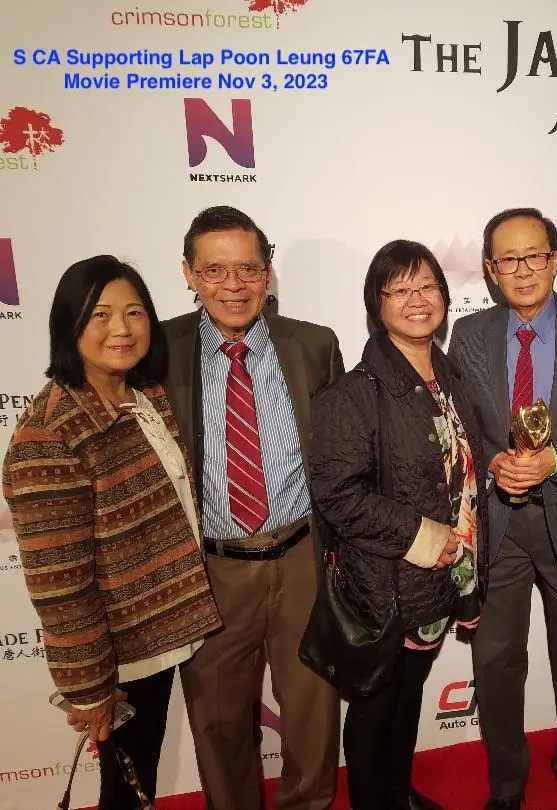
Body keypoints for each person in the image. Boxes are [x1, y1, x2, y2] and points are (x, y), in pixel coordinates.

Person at [3, 256, 222, 809]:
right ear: (68, 326)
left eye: (133, 313)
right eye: (99, 315)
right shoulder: (49, 433)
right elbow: (60, 586)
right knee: (126, 789)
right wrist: (90, 688)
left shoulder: (141, 396)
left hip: (164, 631)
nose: (121, 329)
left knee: (136, 777)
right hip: (123, 655)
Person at [447, 207, 557, 810]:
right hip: (498, 527)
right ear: (491, 269)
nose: (523, 271)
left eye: (535, 256)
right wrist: (496, 457)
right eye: (507, 260)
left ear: (555, 257)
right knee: (497, 668)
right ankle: (506, 784)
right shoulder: (469, 337)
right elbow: (461, 423)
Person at [165, 206, 344, 810]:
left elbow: (341, 461)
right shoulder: (158, 351)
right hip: (210, 568)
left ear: (268, 273)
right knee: (217, 721)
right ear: (189, 274)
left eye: (247, 268)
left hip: (301, 557)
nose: (234, 286)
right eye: (215, 271)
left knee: (314, 714)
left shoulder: (314, 345)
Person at [309, 240, 487, 810]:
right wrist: (420, 535)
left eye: (428, 286)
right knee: (375, 710)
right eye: (400, 289)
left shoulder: (453, 380)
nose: (417, 299)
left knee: (408, 704)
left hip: (437, 584)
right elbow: (337, 495)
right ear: (376, 304)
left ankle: (397, 793)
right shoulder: (352, 396)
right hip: (384, 587)